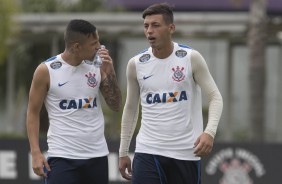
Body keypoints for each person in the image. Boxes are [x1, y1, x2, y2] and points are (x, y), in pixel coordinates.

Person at [118, 3, 223, 184]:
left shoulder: (191, 58)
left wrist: (209, 132)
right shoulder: (136, 64)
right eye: (146, 26)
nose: (149, 31)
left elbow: (215, 97)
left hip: (185, 152)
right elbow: (131, 108)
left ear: (171, 28)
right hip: (147, 150)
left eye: (155, 25)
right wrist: (123, 151)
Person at [26, 19, 122, 184]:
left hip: (96, 156)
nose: (99, 46)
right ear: (77, 47)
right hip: (62, 157)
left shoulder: (97, 67)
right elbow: (32, 112)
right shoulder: (46, 70)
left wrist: (110, 72)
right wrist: (35, 152)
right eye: (94, 43)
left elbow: (115, 105)